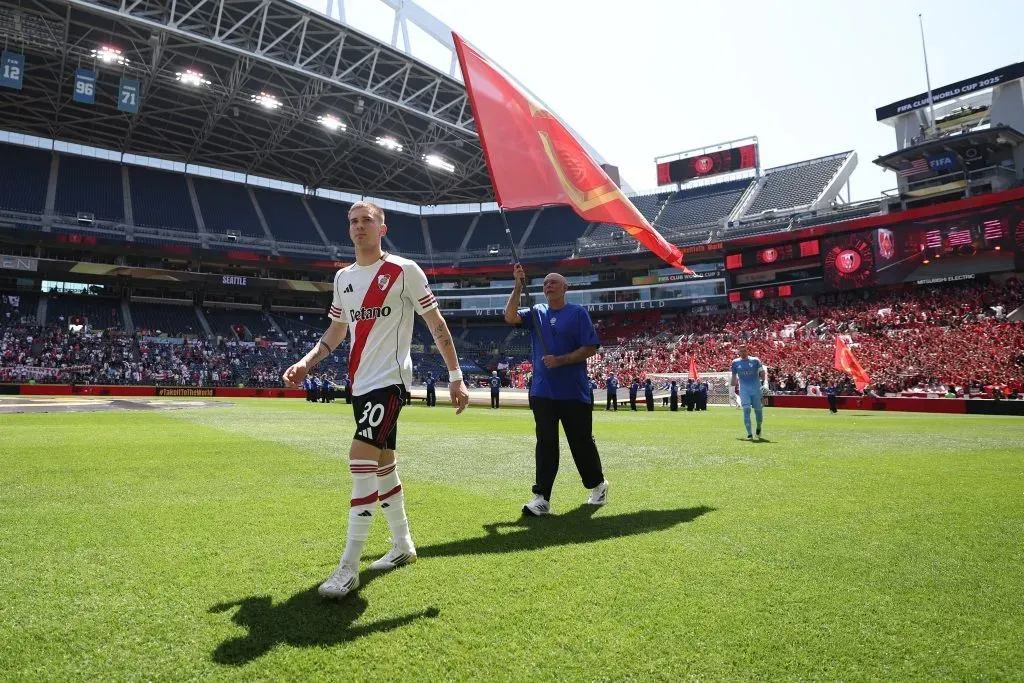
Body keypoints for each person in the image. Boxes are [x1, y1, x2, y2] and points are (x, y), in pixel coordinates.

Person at [282, 200, 470, 600]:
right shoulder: (343, 278)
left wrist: (456, 376)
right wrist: (306, 362)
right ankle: (403, 545)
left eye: (367, 220)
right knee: (383, 464)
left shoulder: (403, 271)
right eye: (353, 221)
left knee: (360, 457)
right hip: (360, 385)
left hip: (391, 383)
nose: (359, 226)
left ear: (382, 228)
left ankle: (349, 567)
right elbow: (335, 332)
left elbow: (436, 324)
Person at [504, 264, 608, 516]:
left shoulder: (578, 313)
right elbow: (510, 317)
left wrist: (560, 360)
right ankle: (542, 497)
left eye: (554, 282)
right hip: (543, 392)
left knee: (581, 443)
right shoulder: (536, 311)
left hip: (574, 392)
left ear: (565, 288)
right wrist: (518, 285)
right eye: (545, 283)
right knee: (546, 443)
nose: (548, 285)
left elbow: (590, 348)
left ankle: (598, 484)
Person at [731, 343, 766, 440]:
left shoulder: (755, 361)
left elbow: (762, 372)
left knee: (758, 412)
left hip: (756, 389)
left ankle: (758, 427)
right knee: (746, 410)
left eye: (744, 350)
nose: (743, 352)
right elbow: (734, 376)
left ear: (747, 350)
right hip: (744, 390)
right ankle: (749, 434)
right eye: (741, 351)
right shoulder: (735, 362)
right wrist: (732, 389)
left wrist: (764, 384)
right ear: (738, 351)